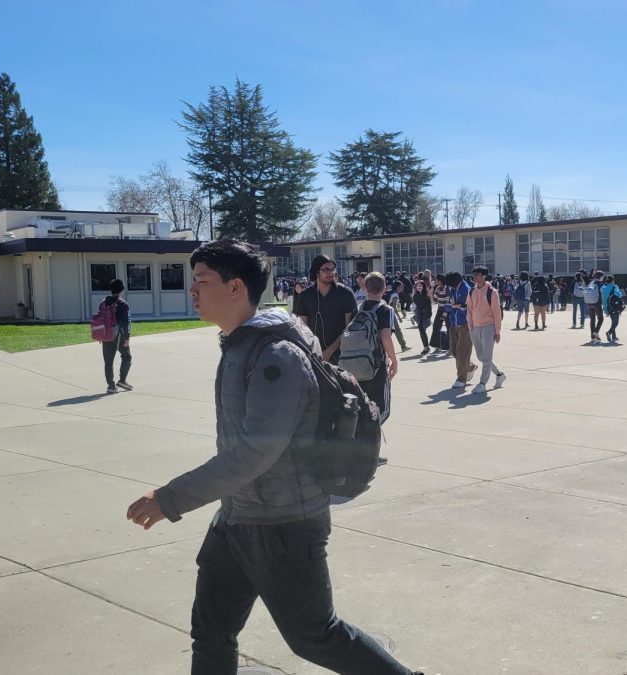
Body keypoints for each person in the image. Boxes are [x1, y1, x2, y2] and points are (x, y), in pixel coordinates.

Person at [125, 240, 420, 675]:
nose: (193, 291)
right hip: (238, 516)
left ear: (235, 287)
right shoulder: (242, 344)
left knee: (315, 635)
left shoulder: (275, 357)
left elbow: (254, 452)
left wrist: (171, 499)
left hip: (284, 523)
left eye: (202, 282)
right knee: (210, 631)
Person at [292, 255, 358, 364]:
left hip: (343, 355)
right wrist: (313, 352)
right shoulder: (305, 296)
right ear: (316, 272)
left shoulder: (345, 293)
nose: (330, 273)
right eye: (326, 269)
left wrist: (329, 351)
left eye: (333, 269)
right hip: (314, 356)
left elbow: (350, 329)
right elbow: (302, 329)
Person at [354, 272, 400, 421]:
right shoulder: (385, 310)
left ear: (365, 289)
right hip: (377, 363)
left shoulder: (359, 309)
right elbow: (385, 337)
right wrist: (394, 360)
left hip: (358, 363)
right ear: (384, 289)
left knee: (361, 406)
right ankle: (370, 439)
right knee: (382, 410)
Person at [466, 265, 506, 394]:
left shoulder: (492, 292)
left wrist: (497, 331)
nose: (475, 277)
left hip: (489, 326)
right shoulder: (471, 291)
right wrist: (470, 326)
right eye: (474, 275)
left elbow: (497, 312)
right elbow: (469, 309)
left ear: (484, 276)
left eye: (478, 275)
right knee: (481, 357)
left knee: (487, 356)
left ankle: (482, 383)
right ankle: (499, 374)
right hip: (475, 327)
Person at [444, 271, 477, 388]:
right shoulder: (453, 290)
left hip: (465, 324)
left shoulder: (467, 290)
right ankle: (469, 367)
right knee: (453, 350)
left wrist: (455, 306)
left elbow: (469, 309)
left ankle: (461, 378)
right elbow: (447, 306)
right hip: (453, 323)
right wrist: (455, 306)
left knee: (462, 351)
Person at [101, 278, 133, 393]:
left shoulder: (103, 303)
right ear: (122, 290)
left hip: (105, 336)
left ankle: (111, 385)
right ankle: (122, 380)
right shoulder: (123, 304)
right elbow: (126, 323)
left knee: (108, 362)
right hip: (118, 336)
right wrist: (127, 338)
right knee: (127, 357)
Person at [412, 270, 434, 355]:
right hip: (418, 313)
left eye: (421, 286)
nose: (419, 287)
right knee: (421, 330)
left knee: (423, 327)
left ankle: (426, 347)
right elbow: (414, 304)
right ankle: (426, 347)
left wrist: (428, 277)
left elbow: (430, 291)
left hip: (426, 313)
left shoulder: (427, 295)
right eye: (417, 286)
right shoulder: (415, 295)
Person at [600, 274, 624, 342]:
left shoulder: (603, 288)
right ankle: (609, 332)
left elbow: (603, 299)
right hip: (614, 307)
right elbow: (619, 294)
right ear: (613, 280)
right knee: (616, 322)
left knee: (613, 321)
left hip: (607, 307)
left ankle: (614, 337)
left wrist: (605, 309)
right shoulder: (614, 286)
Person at [431, 274, 449, 356]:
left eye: (436, 280)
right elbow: (434, 300)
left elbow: (447, 302)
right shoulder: (437, 288)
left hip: (447, 310)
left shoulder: (447, 288)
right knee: (436, 327)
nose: (434, 281)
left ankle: (451, 347)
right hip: (440, 309)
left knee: (449, 327)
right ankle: (436, 347)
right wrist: (436, 293)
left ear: (440, 280)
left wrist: (445, 314)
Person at [586, 271, 606, 343]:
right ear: (600, 277)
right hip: (597, 303)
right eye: (603, 277)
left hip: (589, 303)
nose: (603, 278)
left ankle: (593, 337)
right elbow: (604, 292)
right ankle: (596, 333)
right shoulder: (600, 284)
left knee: (592, 320)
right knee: (601, 318)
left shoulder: (591, 283)